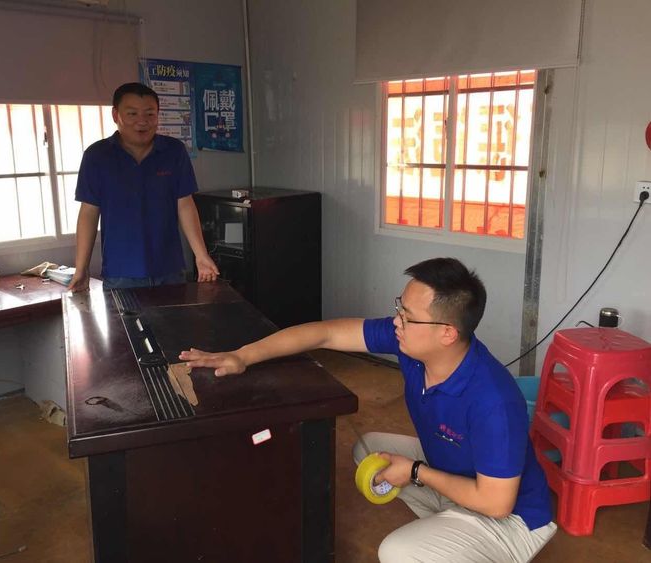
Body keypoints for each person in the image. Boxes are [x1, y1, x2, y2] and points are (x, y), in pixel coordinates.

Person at [179, 257, 556, 562]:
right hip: (457, 474)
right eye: (399, 307)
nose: (396, 321)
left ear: (447, 333)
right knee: (369, 450)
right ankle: (451, 526)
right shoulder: (414, 347)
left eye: (407, 316)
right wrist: (243, 356)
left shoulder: (493, 400)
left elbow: (496, 502)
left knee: (398, 552)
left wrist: (415, 472)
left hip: (512, 519)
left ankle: (473, 545)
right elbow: (325, 333)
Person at [68, 82, 219, 292]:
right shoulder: (97, 156)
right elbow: (89, 213)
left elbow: (185, 204)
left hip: (169, 269)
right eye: (132, 114)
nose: (142, 121)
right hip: (121, 272)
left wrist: (201, 256)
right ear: (115, 115)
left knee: (176, 315)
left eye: (150, 114)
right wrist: (81, 268)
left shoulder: (174, 151)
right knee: (123, 316)